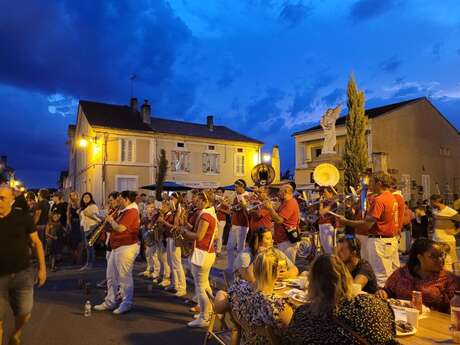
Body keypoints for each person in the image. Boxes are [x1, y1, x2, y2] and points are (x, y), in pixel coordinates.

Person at [286, 255, 397, 345]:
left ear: (312, 284)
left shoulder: (303, 316)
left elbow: (291, 338)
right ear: (346, 277)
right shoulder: (374, 307)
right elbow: (389, 335)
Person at [215, 249, 294, 345]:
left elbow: (219, 307)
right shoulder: (278, 307)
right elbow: (295, 332)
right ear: (278, 272)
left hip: (245, 341)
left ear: (254, 269)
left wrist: (220, 293)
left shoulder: (237, 288)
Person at [335, 172, 400, 287]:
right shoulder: (391, 197)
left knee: (379, 276)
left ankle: (380, 302)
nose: (370, 186)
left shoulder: (380, 200)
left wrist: (345, 221)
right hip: (389, 240)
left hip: (379, 241)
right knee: (389, 274)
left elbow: (367, 225)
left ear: (379, 183)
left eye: (372, 182)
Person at [0, 185, 46, 345]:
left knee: (24, 313)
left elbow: (37, 243)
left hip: (22, 274)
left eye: (2, 198)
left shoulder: (23, 217)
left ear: (12, 199)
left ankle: (15, 333)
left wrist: (42, 269)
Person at [376, 238, 459, 313]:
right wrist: (383, 293)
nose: (440, 260)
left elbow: (454, 309)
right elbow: (388, 291)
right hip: (401, 318)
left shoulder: (449, 280)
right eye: (433, 256)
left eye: (441, 255)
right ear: (420, 257)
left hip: (434, 323)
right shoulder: (402, 273)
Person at [94, 190, 140, 315]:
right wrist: (105, 223)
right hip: (116, 247)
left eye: (120, 198)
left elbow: (120, 228)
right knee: (111, 276)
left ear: (127, 200)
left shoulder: (132, 212)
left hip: (126, 247)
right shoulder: (122, 211)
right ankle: (110, 301)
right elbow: (114, 227)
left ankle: (126, 303)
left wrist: (110, 220)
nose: (117, 201)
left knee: (124, 277)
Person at [181, 190, 218, 327]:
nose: (195, 203)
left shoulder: (206, 215)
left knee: (201, 287)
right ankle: (210, 311)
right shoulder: (209, 213)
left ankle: (204, 317)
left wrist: (184, 232)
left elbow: (199, 236)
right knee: (205, 286)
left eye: (197, 201)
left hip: (203, 253)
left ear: (204, 201)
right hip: (205, 253)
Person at [234, 227, 298, 283]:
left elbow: (295, 270)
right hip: (249, 292)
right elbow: (250, 279)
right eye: (268, 238)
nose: (272, 241)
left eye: (272, 238)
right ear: (258, 241)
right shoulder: (245, 256)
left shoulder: (276, 252)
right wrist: (259, 255)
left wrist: (278, 275)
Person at [157, 192, 187, 297]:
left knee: (177, 263)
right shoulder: (173, 211)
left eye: (173, 199)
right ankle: (174, 284)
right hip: (169, 238)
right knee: (170, 262)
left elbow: (176, 226)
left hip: (175, 238)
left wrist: (164, 222)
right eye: (170, 199)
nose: (171, 201)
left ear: (177, 200)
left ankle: (182, 287)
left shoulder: (180, 210)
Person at [265, 184, 300, 264]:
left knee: (288, 265)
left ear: (286, 192)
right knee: (282, 264)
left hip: (287, 239)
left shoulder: (290, 203)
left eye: (280, 191)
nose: (278, 193)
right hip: (283, 239)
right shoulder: (285, 202)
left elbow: (279, 220)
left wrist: (270, 208)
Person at [430, 194, 460, 271]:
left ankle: (454, 280)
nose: (430, 204)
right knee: (438, 262)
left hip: (447, 241)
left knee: (451, 262)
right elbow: (435, 221)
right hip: (436, 241)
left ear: (436, 202)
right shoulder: (434, 211)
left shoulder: (450, 211)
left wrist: (456, 232)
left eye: (431, 202)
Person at [227, 179, 250, 272]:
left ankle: (240, 269)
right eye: (235, 187)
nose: (235, 189)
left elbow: (238, 208)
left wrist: (231, 207)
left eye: (236, 187)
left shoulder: (247, 196)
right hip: (235, 224)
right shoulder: (237, 196)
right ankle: (231, 267)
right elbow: (233, 208)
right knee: (229, 247)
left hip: (242, 224)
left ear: (242, 187)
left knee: (240, 248)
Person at [79, 192, 100, 270]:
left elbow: (97, 218)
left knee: (90, 247)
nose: (86, 199)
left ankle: (89, 264)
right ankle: (88, 263)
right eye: (84, 197)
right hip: (85, 228)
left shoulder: (93, 206)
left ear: (91, 198)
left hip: (91, 227)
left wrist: (88, 214)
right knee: (88, 247)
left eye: (88, 197)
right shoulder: (84, 207)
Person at [318, 187, 338, 254]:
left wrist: (321, 203)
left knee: (329, 249)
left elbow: (321, 212)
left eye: (325, 192)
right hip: (322, 225)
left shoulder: (333, 202)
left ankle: (332, 263)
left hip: (327, 226)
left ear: (331, 193)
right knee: (325, 248)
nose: (323, 194)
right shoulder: (326, 202)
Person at [67, 192, 82, 265]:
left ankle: (78, 259)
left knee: (79, 241)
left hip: (79, 223)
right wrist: (69, 224)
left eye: (74, 195)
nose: (73, 196)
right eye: (71, 195)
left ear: (77, 195)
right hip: (73, 224)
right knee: (73, 242)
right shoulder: (69, 205)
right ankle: (74, 257)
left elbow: (81, 214)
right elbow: (68, 215)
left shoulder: (80, 204)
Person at [215, 187, 230, 255]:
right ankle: (213, 249)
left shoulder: (225, 201)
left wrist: (220, 210)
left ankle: (218, 251)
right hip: (214, 219)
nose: (218, 193)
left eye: (220, 192)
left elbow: (229, 212)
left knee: (219, 236)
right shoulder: (215, 201)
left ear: (223, 193)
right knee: (214, 235)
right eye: (217, 192)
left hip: (221, 220)